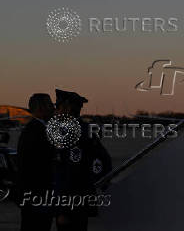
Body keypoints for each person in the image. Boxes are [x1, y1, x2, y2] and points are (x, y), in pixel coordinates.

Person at [53, 89, 112, 231]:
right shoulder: (86, 129)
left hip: (69, 204)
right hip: (83, 200)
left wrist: (62, 210)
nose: (56, 112)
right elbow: (104, 161)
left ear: (67, 108)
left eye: (58, 107)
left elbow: (67, 173)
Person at [16, 93, 55, 231]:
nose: (53, 107)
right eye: (49, 104)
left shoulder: (37, 129)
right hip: (37, 195)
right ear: (40, 108)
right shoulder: (35, 132)